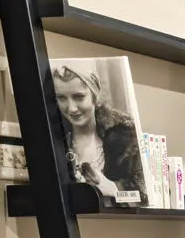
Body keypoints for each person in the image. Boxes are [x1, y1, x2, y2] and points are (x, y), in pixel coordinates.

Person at [51, 64, 146, 203]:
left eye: (79, 97)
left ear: (94, 95)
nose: (71, 108)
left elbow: (142, 198)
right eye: (61, 98)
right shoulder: (53, 139)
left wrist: (113, 189)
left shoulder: (126, 138)